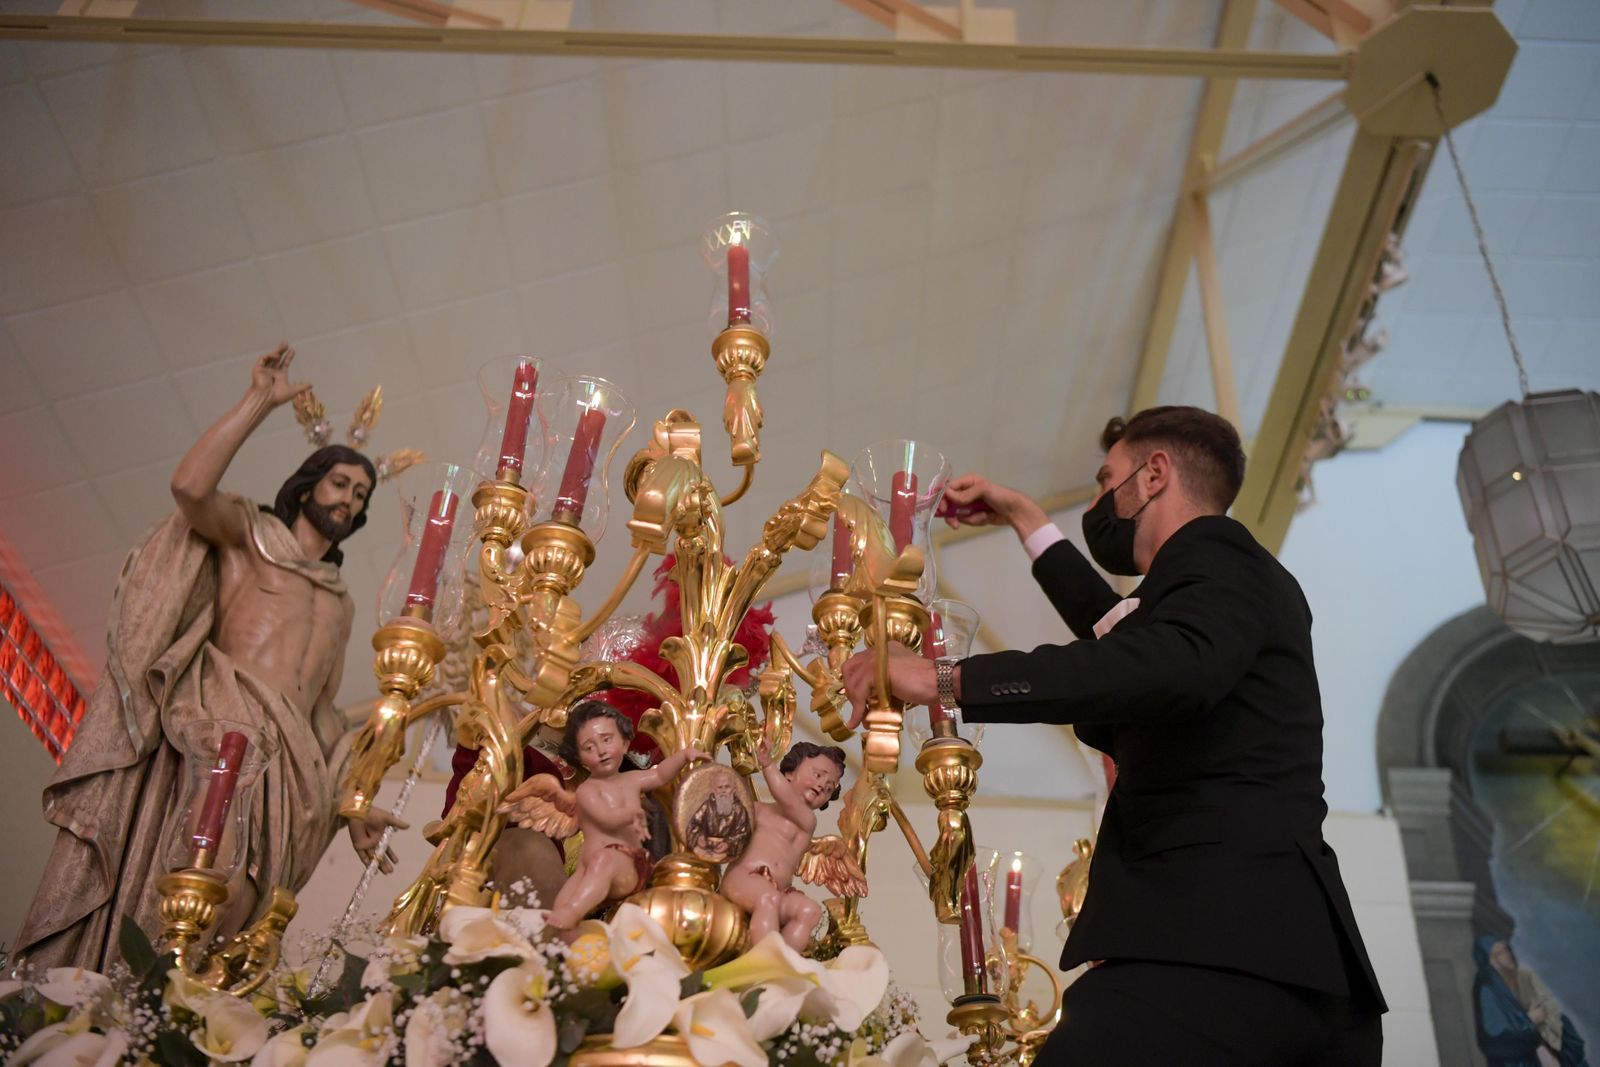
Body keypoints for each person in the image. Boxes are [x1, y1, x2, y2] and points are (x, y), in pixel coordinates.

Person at [842, 405, 1387, 1066]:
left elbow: (1155, 664)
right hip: (1267, 964)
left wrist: (942, 676)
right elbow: (1123, 635)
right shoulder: (1213, 592)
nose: (1099, 500)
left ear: (1154, 474)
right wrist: (1025, 520)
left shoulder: (1220, 558)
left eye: (1107, 480)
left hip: (1228, 952)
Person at [14, 345, 406, 971]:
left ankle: (185, 1009)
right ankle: (144, 988)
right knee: (206, 869)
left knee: (246, 900)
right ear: (307, 485)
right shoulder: (250, 535)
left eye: (361, 495)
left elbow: (324, 711)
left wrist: (351, 798)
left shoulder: (342, 602)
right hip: (227, 728)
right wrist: (257, 402)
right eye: (340, 483)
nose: (350, 501)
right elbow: (189, 486)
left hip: (291, 763)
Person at [503, 702, 706, 931]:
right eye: (589, 747)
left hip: (628, 863)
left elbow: (659, 774)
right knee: (564, 897)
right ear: (579, 757)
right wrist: (631, 813)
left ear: (625, 742)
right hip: (588, 868)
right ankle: (564, 939)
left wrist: (683, 757)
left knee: (602, 864)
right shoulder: (587, 791)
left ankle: (571, 913)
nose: (600, 751)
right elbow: (607, 818)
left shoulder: (632, 780)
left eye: (607, 740)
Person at [720, 740, 848, 952]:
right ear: (789, 773)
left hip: (777, 890)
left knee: (809, 911)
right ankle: (765, 961)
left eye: (828, 788)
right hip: (743, 878)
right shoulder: (757, 810)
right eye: (818, 775)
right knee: (767, 898)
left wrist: (767, 765)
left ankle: (784, 964)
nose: (821, 786)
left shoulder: (807, 821)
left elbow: (786, 798)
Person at [1473, 936, 1590, 1067]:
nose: (1508, 955)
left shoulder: (1524, 976)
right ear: (1490, 960)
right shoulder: (1487, 988)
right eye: (1500, 953)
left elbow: (1551, 1010)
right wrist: (1530, 1020)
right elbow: (1495, 1037)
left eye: (1507, 950)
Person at [685, 768, 754, 863]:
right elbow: (693, 825)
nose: (723, 791)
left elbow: (744, 833)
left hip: (727, 852)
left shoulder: (740, 810)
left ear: (733, 789)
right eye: (720, 787)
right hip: (706, 849)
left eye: (727, 787)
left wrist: (728, 844)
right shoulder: (706, 806)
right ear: (714, 790)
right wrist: (699, 837)